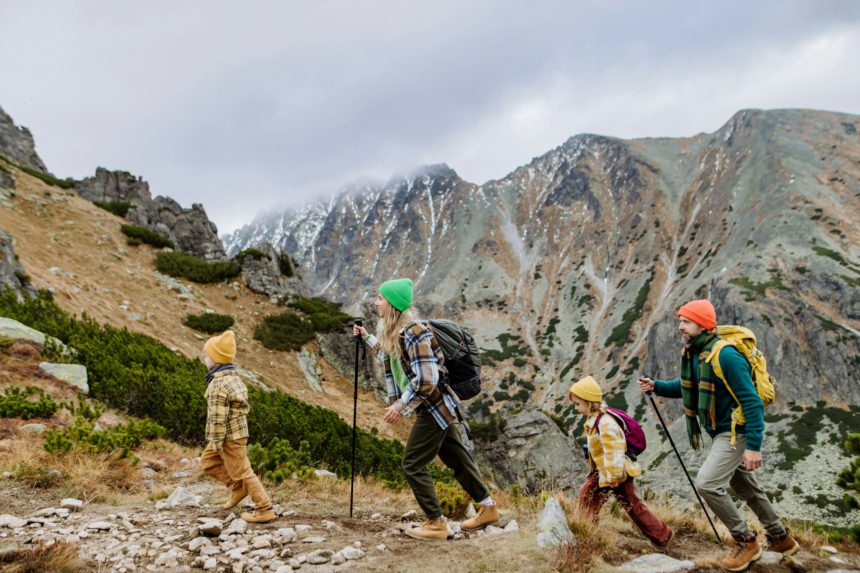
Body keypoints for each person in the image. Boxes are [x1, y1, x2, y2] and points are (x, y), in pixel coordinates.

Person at [638, 299, 799, 571]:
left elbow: (752, 401)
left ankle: (745, 541)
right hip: (722, 430)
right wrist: (657, 387)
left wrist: (754, 446)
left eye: (686, 322)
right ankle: (781, 537)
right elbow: (691, 386)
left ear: (702, 324)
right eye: (680, 321)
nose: (680, 327)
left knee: (707, 483)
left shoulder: (725, 355)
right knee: (745, 486)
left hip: (736, 431)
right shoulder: (699, 352)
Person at [354, 278, 498, 540]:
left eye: (380, 298)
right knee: (457, 458)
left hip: (434, 408)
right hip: (435, 407)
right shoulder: (396, 333)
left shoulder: (415, 332)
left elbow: (428, 379)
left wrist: (400, 404)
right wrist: (367, 338)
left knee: (412, 464)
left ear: (393, 303)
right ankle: (488, 507)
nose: (376, 303)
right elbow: (392, 357)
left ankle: (435, 522)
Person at [570, 375, 674, 550]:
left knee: (631, 505)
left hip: (616, 473)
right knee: (588, 495)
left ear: (589, 402)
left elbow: (614, 450)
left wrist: (613, 476)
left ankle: (662, 535)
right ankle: (586, 530)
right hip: (605, 471)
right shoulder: (596, 418)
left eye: (577, 404)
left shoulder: (605, 423)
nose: (576, 408)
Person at [198, 330, 276, 524]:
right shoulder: (234, 378)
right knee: (208, 461)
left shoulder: (218, 385)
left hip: (228, 437)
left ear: (216, 359)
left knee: (243, 471)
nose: (204, 358)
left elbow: (217, 418)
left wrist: (216, 442)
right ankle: (237, 487)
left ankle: (264, 507)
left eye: (207, 355)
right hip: (235, 433)